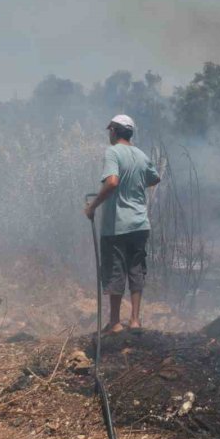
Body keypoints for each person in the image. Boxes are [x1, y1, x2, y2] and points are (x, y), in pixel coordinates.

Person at [85, 114, 160, 333]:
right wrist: (135, 184)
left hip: (117, 225)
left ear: (115, 131)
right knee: (136, 269)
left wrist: (92, 207)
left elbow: (112, 182)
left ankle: (115, 323)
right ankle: (135, 320)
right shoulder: (140, 154)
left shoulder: (112, 152)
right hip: (140, 224)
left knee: (115, 271)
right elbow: (155, 178)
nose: (109, 134)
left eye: (110, 130)